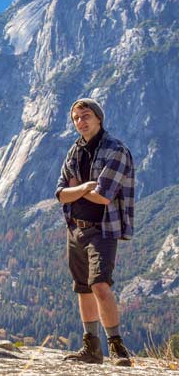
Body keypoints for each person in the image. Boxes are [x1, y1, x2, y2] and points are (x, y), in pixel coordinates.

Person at [56, 98, 133, 366]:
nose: (81, 121)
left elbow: (104, 196)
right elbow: (60, 193)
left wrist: (78, 189)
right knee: (82, 288)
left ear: (99, 118)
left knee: (100, 285)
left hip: (103, 229)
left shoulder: (116, 150)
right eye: (76, 118)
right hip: (76, 228)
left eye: (86, 115)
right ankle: (91, 347)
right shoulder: (74, 150)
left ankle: (117, 347)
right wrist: (84, 188)